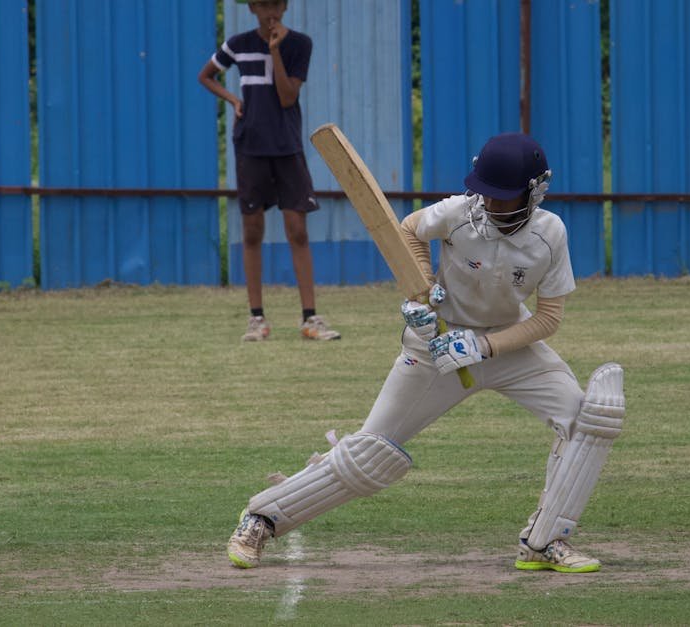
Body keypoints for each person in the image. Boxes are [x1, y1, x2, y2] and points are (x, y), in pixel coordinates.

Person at [226, 133, 627, 573]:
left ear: (534, 192)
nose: (490, 206)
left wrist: (484, 345)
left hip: (508, 345)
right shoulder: (458, 212)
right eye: (485, 194)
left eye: (502, 198)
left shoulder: (550, 235)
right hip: (435, 346)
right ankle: (261, 519)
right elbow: (408, 230)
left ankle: (545, 541)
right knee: (370, 451)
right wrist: (422, 292)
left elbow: (548, 319)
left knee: (585, 422)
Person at [198, 0, 340, 342]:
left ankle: (310, 319)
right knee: (251, 232)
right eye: (262, 5)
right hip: (250, 147)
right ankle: (256, 320)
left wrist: (275, 51)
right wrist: (233, 100)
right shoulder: (238, 44)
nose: (269, 11)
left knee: (298, 230)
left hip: (287, 147)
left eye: (275, 3)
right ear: (251, 8)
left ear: (286, 5)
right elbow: (206, 76)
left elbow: (288, 96)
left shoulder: (299, 44)